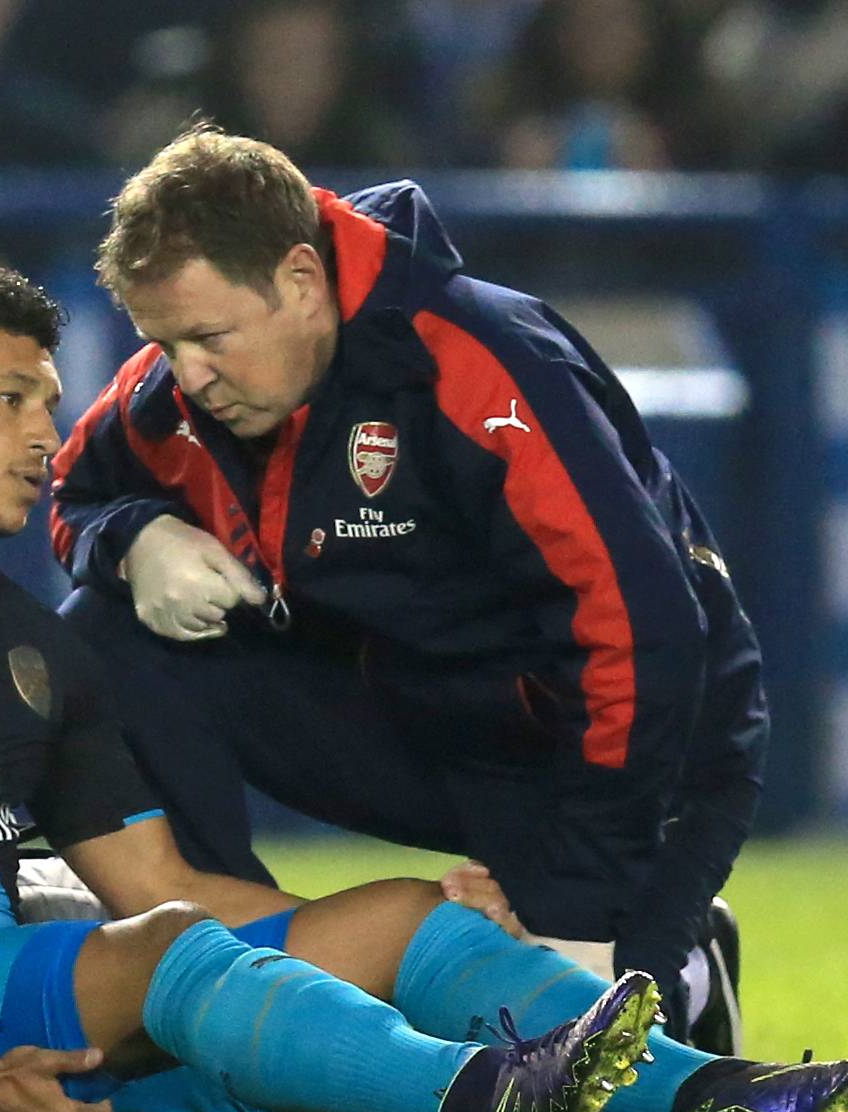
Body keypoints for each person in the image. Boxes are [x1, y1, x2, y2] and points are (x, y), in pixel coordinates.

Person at [0, 247, 848, 1112]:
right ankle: (489, 1096)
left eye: (49, 400)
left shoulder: (30, 648)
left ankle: (732, 1094)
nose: (45, 430)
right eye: (10, 399)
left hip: (30, 1010)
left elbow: (160, 880)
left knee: (396, 917)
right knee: (179, 960)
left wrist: (375, 935)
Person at [49, 126, 764, 1045]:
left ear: (303, 281)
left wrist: (576, 894)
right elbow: (78, 490)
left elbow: (642, 636)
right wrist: (132, 536)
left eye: (208, 337)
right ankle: (230, 1001)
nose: (187, 375)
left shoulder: (479, 359)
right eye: (163, 341)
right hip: (424, 714)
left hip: (639, 746)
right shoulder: (176, 392)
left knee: (571, 1074)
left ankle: (674, 959)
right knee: (107, 632)